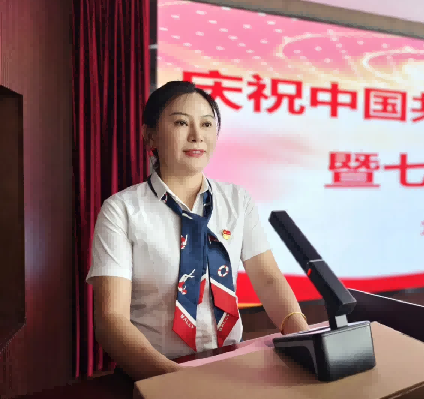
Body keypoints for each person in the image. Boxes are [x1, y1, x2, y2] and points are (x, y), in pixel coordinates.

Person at [86, 81, 310, 381]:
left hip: (231, 361)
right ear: (150, 135)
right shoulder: (121, 210)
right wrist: (176, 379)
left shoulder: (237, 200)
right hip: (156, 370)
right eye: (181, 123)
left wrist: (304, 337)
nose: (197, 136)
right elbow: (110, 319)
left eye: (206, 124)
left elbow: (267, 278)